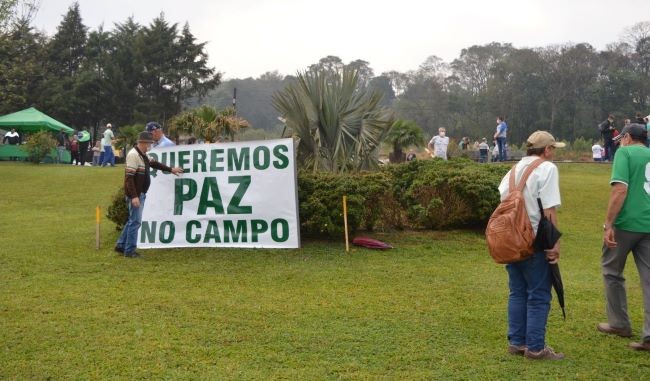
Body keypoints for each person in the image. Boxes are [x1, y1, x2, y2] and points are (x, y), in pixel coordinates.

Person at [498, 130, 565, 360]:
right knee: (538, 295)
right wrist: (554, 244)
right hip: (534, 242)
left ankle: (517, 342)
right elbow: (549, 210)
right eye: (553, 149)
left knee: (517, 292)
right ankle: (536, 348)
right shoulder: (547, 168)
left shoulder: (512, 171)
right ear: (546, 150)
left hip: (511, 242)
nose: (554, 153)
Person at [598, 123, 650, 351]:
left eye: (622, 138)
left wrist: (608, 223)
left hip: (627, 223)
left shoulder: (624, 153)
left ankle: (619, 323)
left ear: (628, 137)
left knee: (612, 271)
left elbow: (620, 189)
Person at [114, 131, 183, 258]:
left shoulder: (143, 155)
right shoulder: (133, 155)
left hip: (139, 194)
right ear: (143, 143)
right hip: (136, 194)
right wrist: (134, 196)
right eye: (149, 143)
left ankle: (121, 245)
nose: (150, 146)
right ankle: (129, 251)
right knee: (135, 222)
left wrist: (171, 169)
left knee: (132, 220)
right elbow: (129, 178)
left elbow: (155, 163)